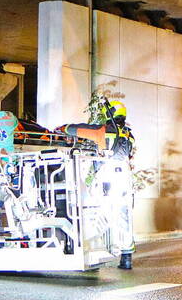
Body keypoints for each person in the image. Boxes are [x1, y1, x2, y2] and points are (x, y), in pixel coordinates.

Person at [57, 98, 136, 269]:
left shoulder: (102, 130)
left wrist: (64, 128)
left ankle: (92, 249)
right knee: (124, 217)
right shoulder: (129, 135)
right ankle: (126, 257)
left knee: (96, 213)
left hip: (107, 178)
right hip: (125, 179)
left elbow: (75, 129)